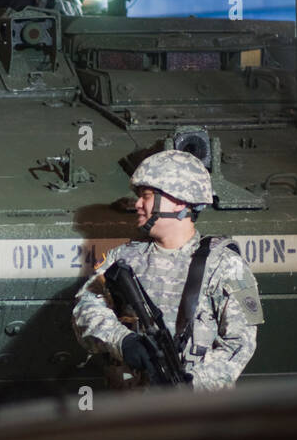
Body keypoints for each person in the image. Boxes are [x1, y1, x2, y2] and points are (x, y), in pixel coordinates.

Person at [72, 151, 264, 390]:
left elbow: (241, 343)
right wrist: (122, 340)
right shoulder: (121, 258)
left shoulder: (226, 264)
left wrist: (193, 384)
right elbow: (84, 308)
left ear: (180, 201)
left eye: (146, 196)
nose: (137, 204)